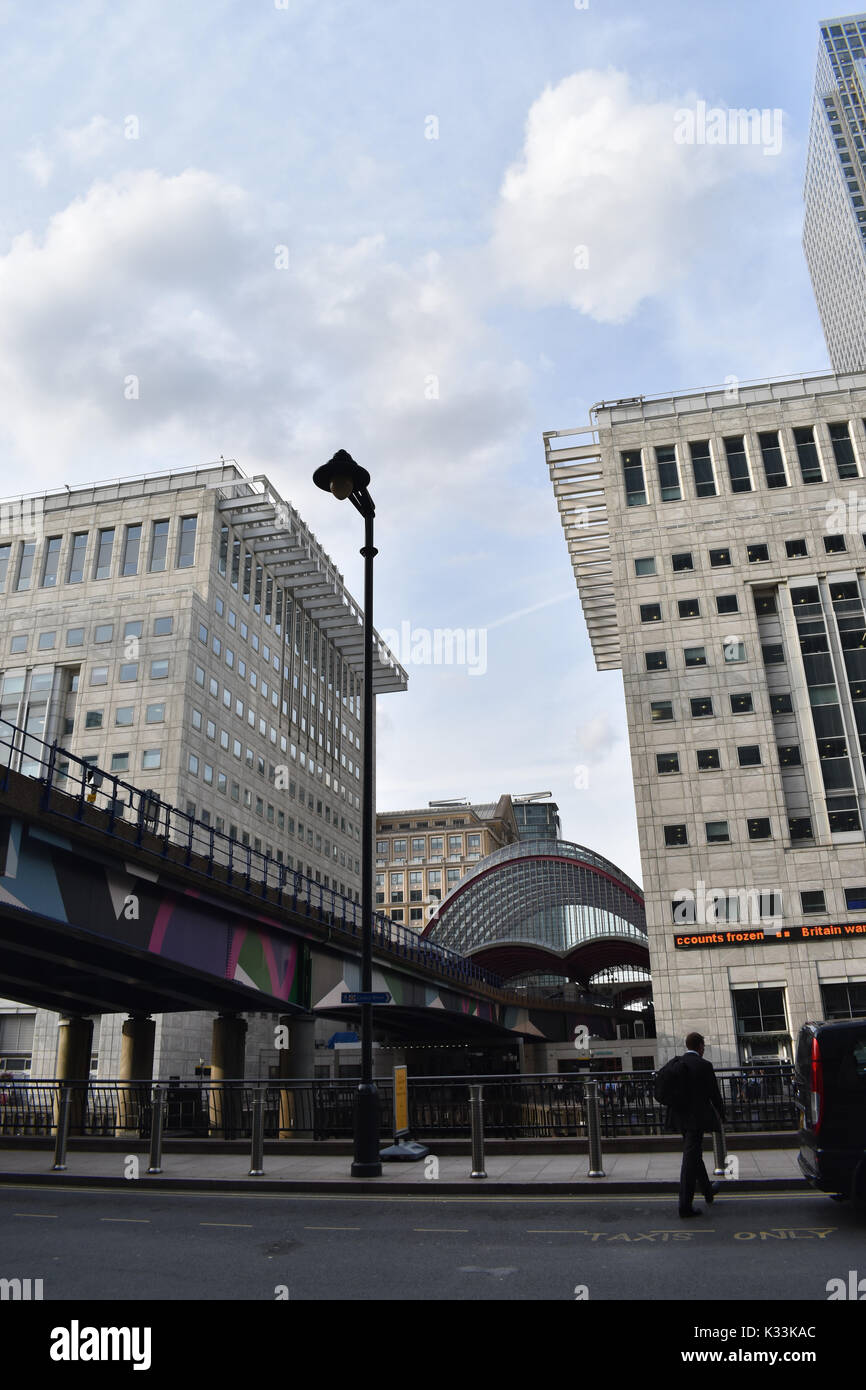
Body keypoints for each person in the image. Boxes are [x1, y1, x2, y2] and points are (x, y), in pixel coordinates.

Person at [671, 1031, 725, 1219]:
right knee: (690, 1159)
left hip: (680, 1119)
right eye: (703, 1046)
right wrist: (722, 1115)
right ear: (700, 1046)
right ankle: (684, 1205)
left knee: (694, 1154)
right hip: (697, 1119)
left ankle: (708, 1191)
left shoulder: (677, 1063)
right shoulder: (704, 1065)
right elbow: (714, 1095)